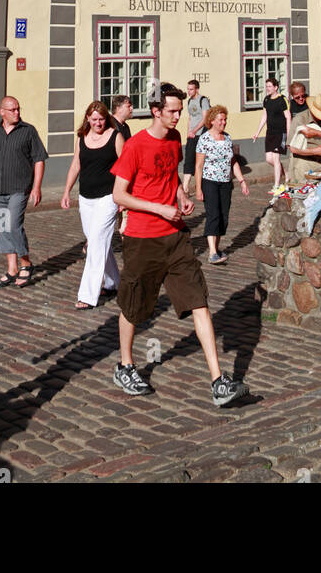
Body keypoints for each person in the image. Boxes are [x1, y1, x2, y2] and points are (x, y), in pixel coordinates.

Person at [110, 81, 249, 406]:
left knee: (198, 300)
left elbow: (170, 177)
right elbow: (119, 194)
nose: (178, 117)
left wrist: (182, 196)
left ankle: (218, 380)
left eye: (179, 110)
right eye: (172, 111)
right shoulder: (135, 146)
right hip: (142, 238)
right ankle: (125, 365)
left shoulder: (174, 140)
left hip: (175, 236)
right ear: (156, 111)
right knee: (134, 306)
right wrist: (158, 206)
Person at [0, 96, 47, 288]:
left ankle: (26, 263)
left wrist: (37, 186)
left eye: (18, 109)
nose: (17, 112)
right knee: (1, 227)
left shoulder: (28, 131)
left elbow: (39, 159)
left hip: (20, 188)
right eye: (13, 110)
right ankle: (12, 269)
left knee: (13, 225)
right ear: (2, 112)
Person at [61, 102, 122, 308]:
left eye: (101, 119)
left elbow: (126, 167)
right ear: (87, 118)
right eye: (94, 119)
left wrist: (124, 198)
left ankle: (87, 295)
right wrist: (66, 191)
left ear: (107, 118)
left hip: (108, 197)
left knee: (96, 243)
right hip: (86, 198)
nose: (98, 123)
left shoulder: (115, 136)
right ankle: (114, 282)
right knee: (98, 240)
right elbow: (75, 165)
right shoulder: (81, 138)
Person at [194, 104, 249, 262]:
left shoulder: (227, 137)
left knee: (224, 216)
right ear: (211, 121)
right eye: (220, 120)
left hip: (225, 182)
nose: (223, 122)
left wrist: (242, 181)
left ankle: (216, 249)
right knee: (213, 214)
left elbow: (233, 162)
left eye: (225, 120)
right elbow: (198, 166)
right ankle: (212, 253)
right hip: (209, 181)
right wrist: (198, 188)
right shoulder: (204, 139)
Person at [252, 76, 292, 189]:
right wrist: (257, 132)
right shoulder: (266, 99)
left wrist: (288, 135)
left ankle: (276, 185)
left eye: (270, 86)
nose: (267, 89)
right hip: (270, 132)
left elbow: (288, 117)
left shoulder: (282, 99)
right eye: (266, 86)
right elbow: (264, 116)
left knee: (276, 158)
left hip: (281, 133)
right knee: (268, 159)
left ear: (276, 87)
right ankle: (286, 172)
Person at [288, 93, 321, 185]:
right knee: (303, 195)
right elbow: (292, 148)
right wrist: (315, 151)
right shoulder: (299, 119)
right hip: (302, 165)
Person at [181, 78, 211, 194]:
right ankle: (185, 187)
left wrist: (194, 131)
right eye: (188, 89)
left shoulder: (203, 100)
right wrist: (189, 132)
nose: (189, 91)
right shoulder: (189, 101)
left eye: (191, 89)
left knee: (200, 161)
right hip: (192, 135)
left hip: (201, 134)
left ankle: (203, 186)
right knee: (189, 159)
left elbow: (205, 118)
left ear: (197, 89)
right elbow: (190, 118)